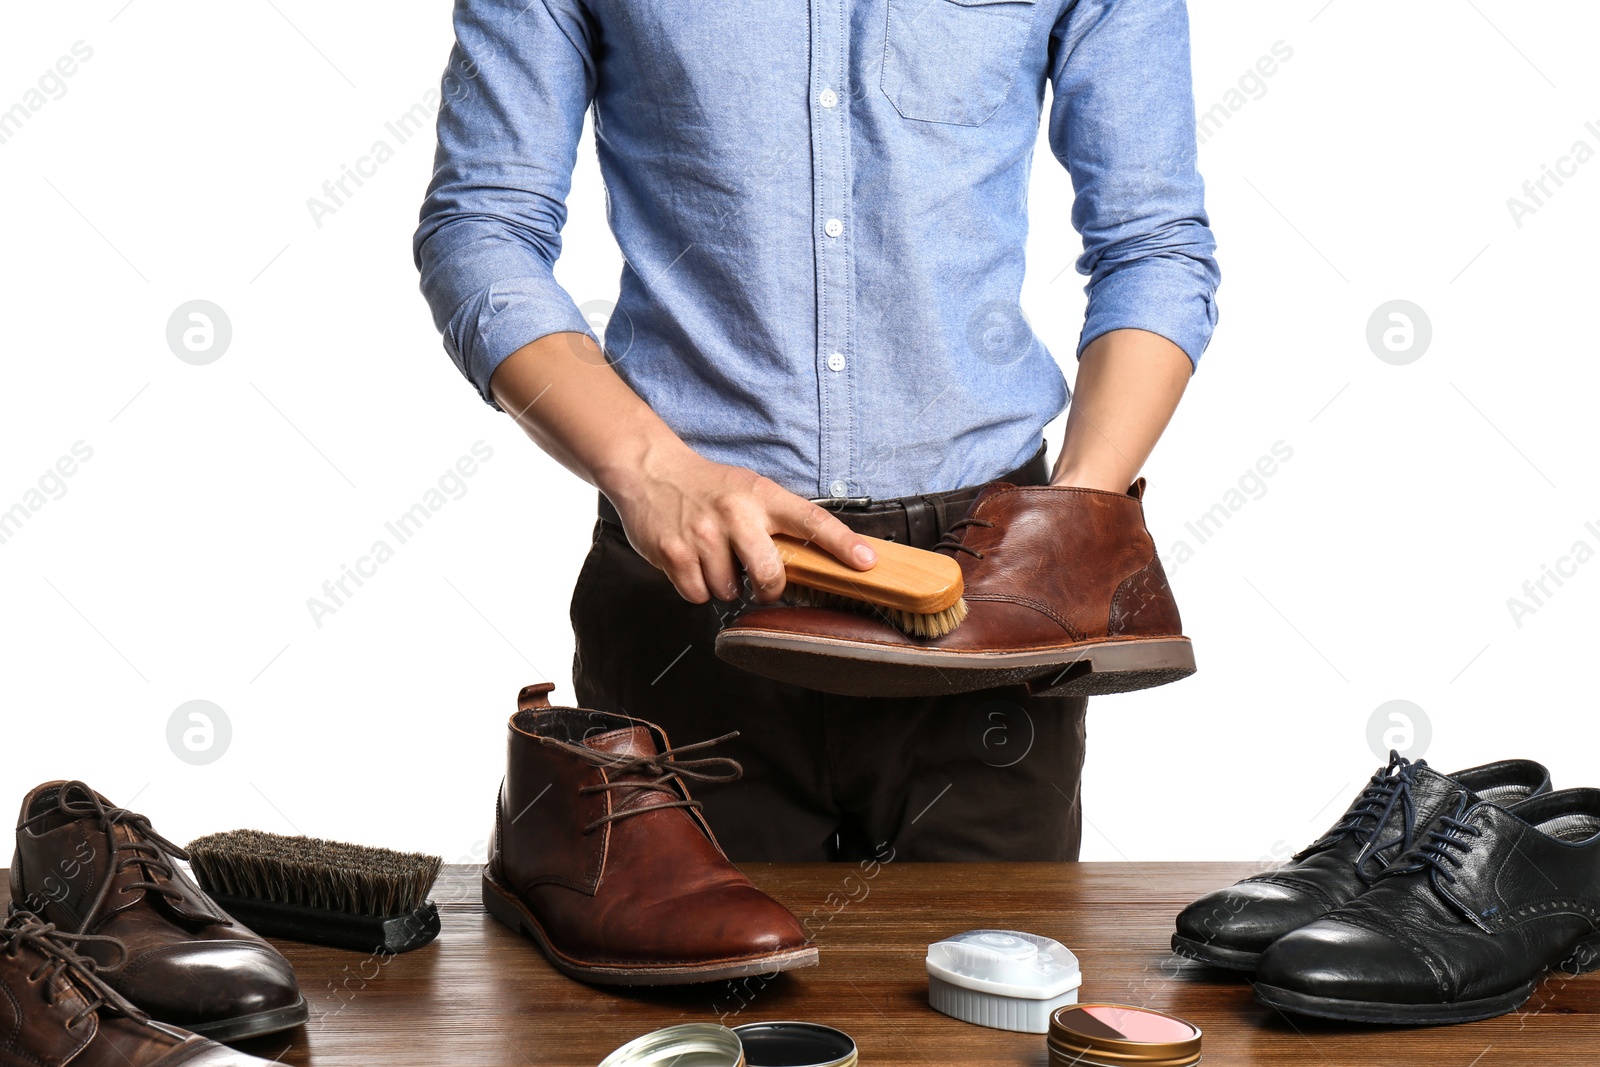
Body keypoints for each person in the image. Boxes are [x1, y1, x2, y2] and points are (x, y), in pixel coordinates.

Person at [414, 0, 1219, 864]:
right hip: (692, 575)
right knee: (686, 998)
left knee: (991, 987)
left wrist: (1071, 527)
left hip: (989, 592)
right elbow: (481, 227)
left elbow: (1153, 242)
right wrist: (647, 468)